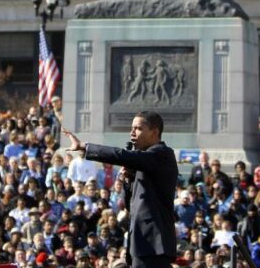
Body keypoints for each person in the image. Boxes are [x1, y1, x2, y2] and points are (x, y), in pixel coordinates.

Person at [64, 111, 178, 268]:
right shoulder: (143, 163)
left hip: (154, 243)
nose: (132, 133)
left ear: (155, 132)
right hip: (140, 244)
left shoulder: (161, 154)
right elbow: (131, 205)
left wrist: (85, 147)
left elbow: (122, 155)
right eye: (131, 128)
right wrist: (127, 180)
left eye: (138, 128)